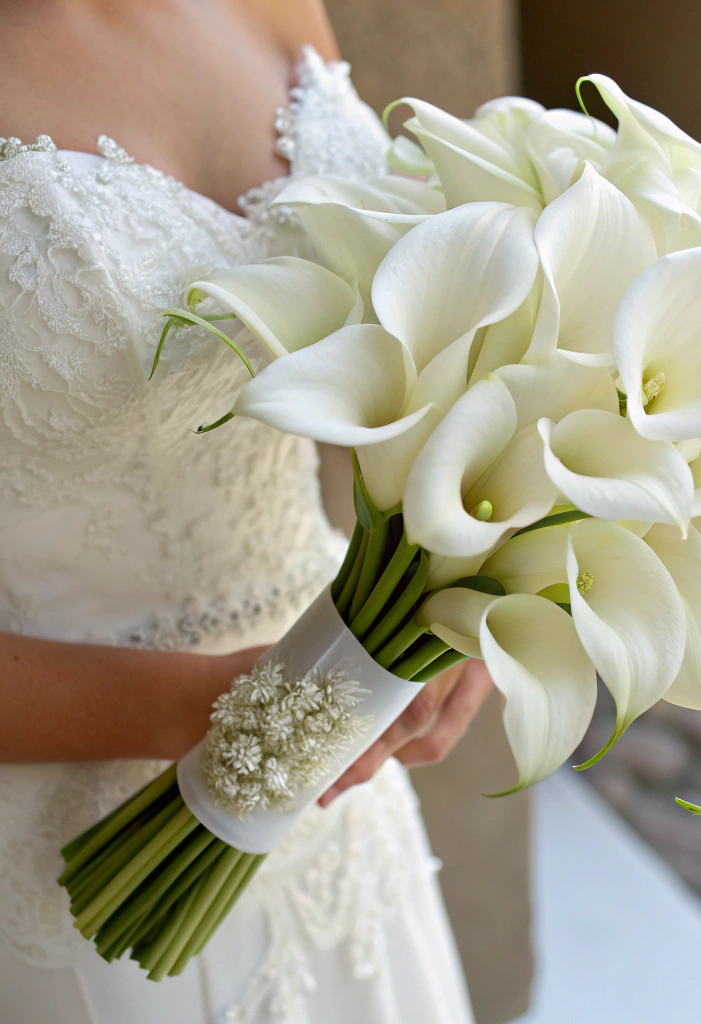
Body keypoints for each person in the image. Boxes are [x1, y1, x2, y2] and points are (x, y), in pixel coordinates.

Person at [0, 1, 493, 1020]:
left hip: (340, 793)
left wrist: (467, 592)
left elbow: (385, 333)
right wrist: (236, 715)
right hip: (65, 857)